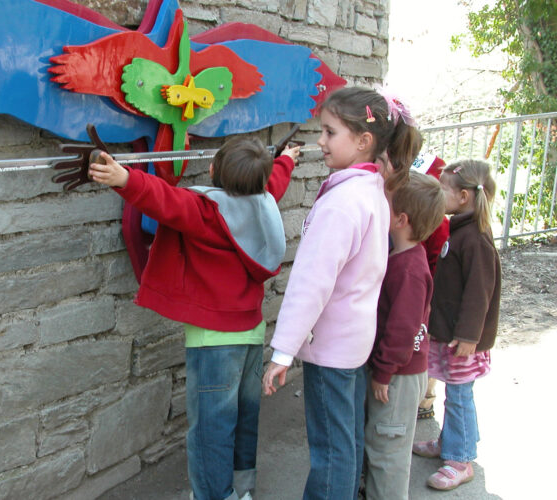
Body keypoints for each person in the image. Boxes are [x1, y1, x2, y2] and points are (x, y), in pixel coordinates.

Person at [89, 137, 300, 500]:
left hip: (214, 342)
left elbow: (164, 199)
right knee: (244, 419)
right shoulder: (263, 204)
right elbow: (274, 183)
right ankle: (242, 490)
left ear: (214, 171)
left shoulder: (206, 211)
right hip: (251, 332)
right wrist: (286, 161)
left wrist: (123, 178)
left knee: (210, 431)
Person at [262, 86, 422, 500]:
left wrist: (283, 351)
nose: (320, 141)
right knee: (346, 444)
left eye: (330, 132)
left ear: (364, 140)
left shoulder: (344, 202)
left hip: (331, 349)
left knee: (332, 452)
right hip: (352, 345)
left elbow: (312, 283)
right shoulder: (371, 191)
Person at [412, 159, 501, 491]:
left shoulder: (475, 240)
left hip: (462, 339)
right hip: (449, 334)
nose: (440, 192)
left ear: (464, 196)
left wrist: (468, 337)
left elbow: (480, 295)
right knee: (455, 393)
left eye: (444, 188)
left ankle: (461, 459)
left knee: (460, 396)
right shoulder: (459, 230)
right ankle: (450, 443)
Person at [364, 171, 446, 500]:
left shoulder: (410, 269)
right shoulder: (402, 257)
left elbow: (402, 330)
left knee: (388, 452)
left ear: (400, 219)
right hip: (397, 372)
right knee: (380, 443)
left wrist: (383, 372)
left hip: (397, 376)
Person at [411, 153, 451, 420]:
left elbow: (439, 264)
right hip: (423, 288)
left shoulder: (439, 225)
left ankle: (425, 398)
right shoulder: (434, 221)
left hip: (430, 293)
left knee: (427, 344)